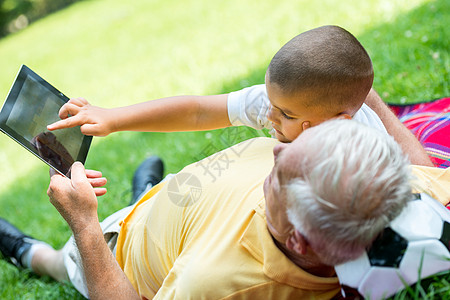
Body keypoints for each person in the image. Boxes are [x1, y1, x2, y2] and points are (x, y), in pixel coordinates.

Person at [4, 119, 447, 299]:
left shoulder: (213, 283)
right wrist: (363, 97)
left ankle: (25, 249)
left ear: (297, 239)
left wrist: (83, 221)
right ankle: (149, 189)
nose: (275, 154)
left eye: (280, 174)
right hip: (178, 212)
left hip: (119, 252)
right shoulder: (381, 181)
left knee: (63, 261)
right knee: (158, 193)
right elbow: (424, 170)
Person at [46, 25, 432, 166]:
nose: (271, 117)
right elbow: (199, 111)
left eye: (285, 115)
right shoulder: (282, 103)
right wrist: (114, 118)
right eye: (271, 103)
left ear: (337, 123)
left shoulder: (366, 154)